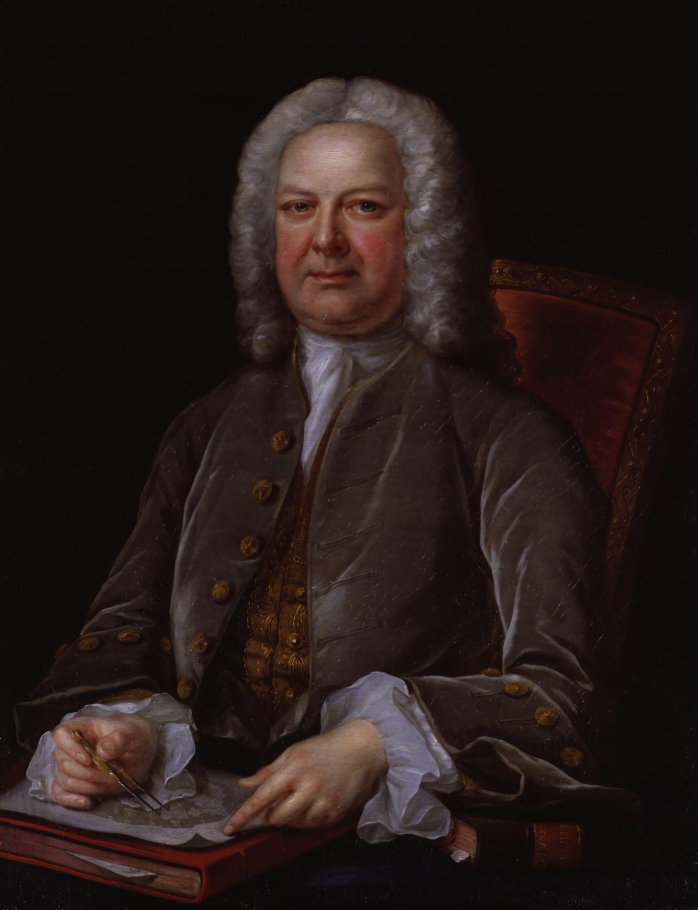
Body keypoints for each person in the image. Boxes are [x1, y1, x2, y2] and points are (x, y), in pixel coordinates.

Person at [15, 78, 636, 851]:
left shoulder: (511, 434)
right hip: (203, 814)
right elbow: (119, 630)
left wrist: (372, 744)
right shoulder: (210, 422)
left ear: (426, 229)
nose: (326, 240)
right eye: (299, 207)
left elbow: (564, 698)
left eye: (364, 207)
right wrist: (126, 728)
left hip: (395, 841)